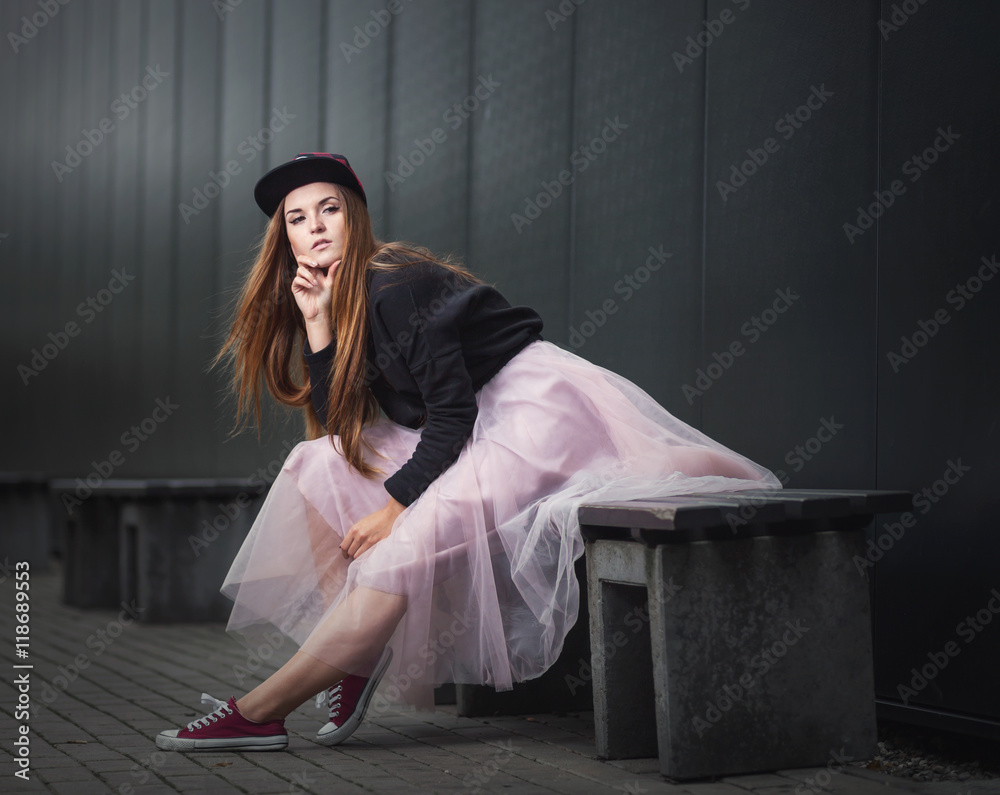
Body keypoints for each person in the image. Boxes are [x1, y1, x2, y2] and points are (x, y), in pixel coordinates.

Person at [155, 152, 781, 752]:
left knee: (396, 549)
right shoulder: (340, 294)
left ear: (356, 217)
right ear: (285, 238)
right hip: (462, 423)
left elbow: (454, 415)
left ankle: (259, 714)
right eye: (297, 218)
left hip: (529, 415)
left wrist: (394, 507)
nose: (315, 227)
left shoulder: (394, 286)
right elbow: (340, 429)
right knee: (312, 464)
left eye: (330, 210)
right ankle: (353, 651)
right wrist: (317, 325)